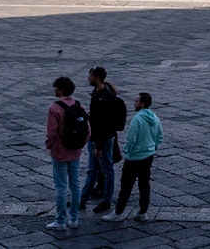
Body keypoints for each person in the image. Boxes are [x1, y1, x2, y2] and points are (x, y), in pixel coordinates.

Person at [103, 92, 163, 224]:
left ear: (142, 104)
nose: (134, 103)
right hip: (149, 156)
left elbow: (131, 140)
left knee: (126, 186)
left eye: (136, 101)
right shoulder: (155, 117)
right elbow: (160, 136)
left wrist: (127, 151)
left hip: (134, 157)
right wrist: (154, 147)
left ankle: (118, 213)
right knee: (144, 184)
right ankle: (143, 212)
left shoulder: (137, 119)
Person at [45, 77, 90, 230]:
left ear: (61, 89)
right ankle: (74, 219)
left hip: (60, 151)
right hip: (75, 151)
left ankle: (60, 220)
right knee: (75, 185)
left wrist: (49, 146)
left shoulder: (55, 108)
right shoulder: (80, 106)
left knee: (61, 187)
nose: (54, 89)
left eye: (55, 87)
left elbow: (52, 133)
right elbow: (88, 130)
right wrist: (80, 145)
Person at [80, 67, 122, 213]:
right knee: (92, 170)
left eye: (90, 75)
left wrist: (98, 145)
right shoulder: (96, 94)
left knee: (107, 170)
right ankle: (83, 199)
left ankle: (106, 201)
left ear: (97, 77)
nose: (88, 78)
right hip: (95, 138)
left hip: (101, 140)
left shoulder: (105, 98)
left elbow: (105, 124)